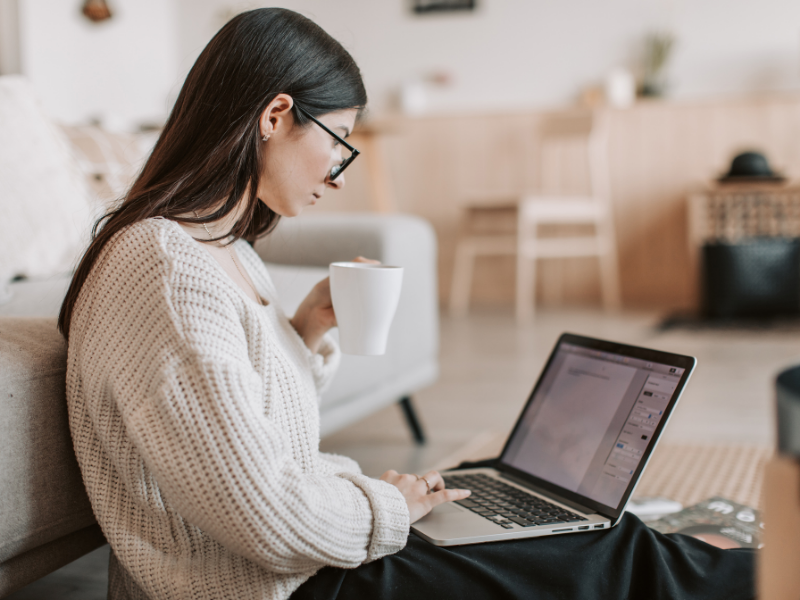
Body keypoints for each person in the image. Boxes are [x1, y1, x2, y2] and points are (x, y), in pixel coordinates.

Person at [58, 8, 755, 600]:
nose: (337, 175)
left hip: (298, 565)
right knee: (616, 556)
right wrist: (390, 506)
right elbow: (263, 515)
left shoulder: (222, 251)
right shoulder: (165, 266)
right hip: (275, 585)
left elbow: (253, 445)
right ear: (275, 115)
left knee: (600, 540)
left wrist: (300, 336)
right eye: (338, 143)